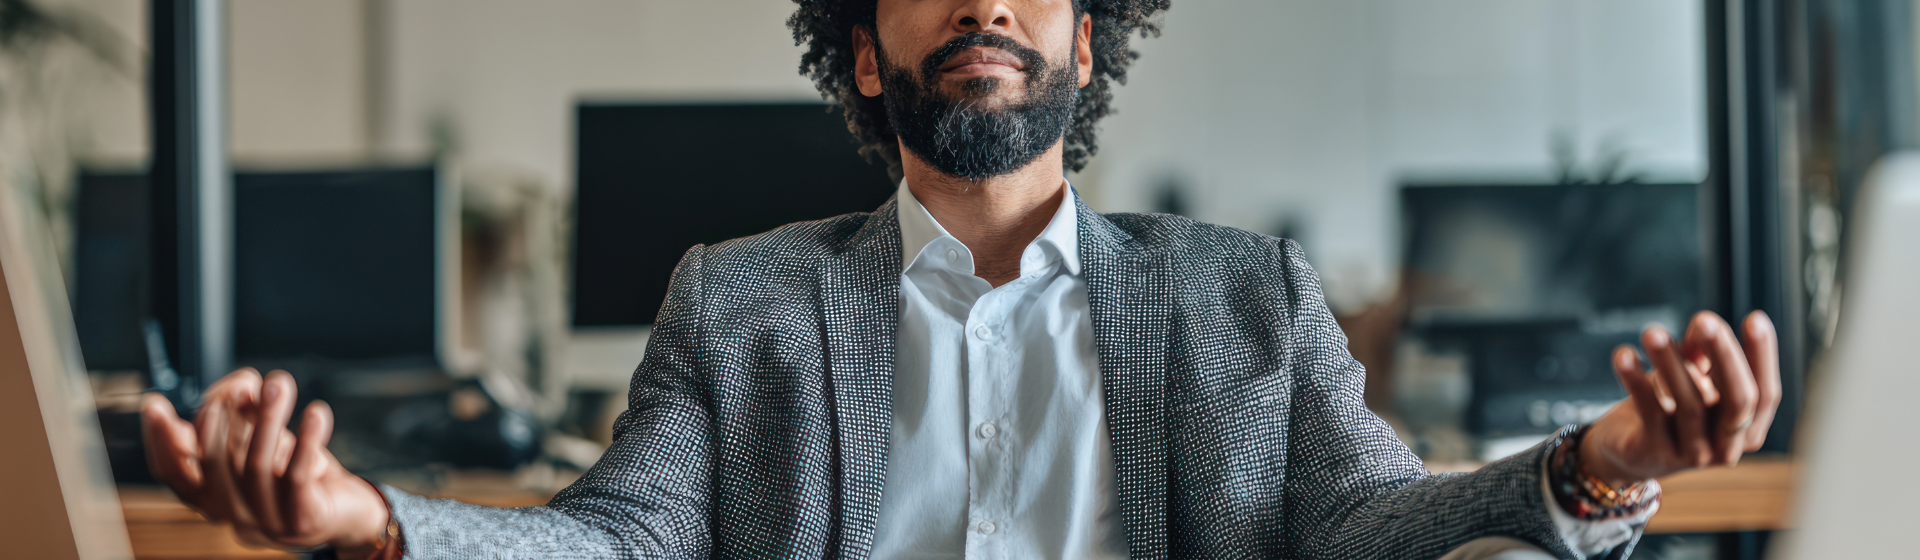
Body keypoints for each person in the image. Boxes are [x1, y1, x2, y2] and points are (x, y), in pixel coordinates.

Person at [140, 0, 1783, 558]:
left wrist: (1602, 466)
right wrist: (375, 524)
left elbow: (1361, 525)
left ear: (1088, 38)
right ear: (867, 55)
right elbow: (617, 539)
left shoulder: (1245, 296)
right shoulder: (740, 300)